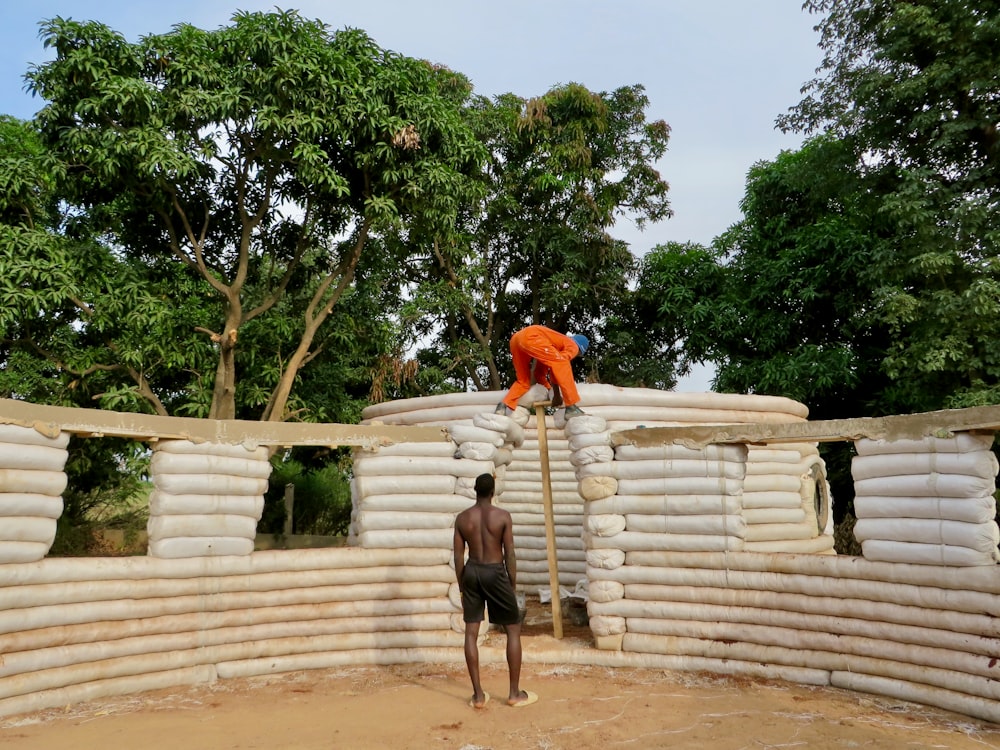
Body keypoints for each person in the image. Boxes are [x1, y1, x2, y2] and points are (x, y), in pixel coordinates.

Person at [453, 473, 537, 708]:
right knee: (512, 628)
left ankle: (478, 696)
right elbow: (509, 552)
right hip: (494, 571)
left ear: (475, 491)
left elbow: (458, 556)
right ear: (493, 492)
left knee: (471, 632)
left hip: (472, 572)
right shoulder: (502, 516)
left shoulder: (462, 519)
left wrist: (462, 585)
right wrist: (512, 582)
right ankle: (513, 693)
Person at [495, 325, 589, 418]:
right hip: (531, 337)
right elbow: (559, 364)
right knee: (562, 362)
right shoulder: (573, 345)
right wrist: (556, 395)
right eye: (578, 355)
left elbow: (539, 374)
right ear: (580, 350)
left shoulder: (550, 348)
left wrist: (549, 390)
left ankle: (503, 405)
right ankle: (571, 407)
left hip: (516, 339)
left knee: (523, 382)